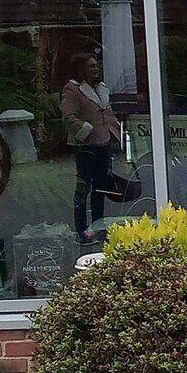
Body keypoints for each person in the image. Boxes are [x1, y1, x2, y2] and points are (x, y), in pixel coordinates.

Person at [61, 53, 121, 244]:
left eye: (96, 66)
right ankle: (81, 231)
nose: (95, 69)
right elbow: (68, 117)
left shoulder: (101, 88)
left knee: (101, 189)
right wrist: (86, 131)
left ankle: (98, 227)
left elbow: (108, 112)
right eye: (91, 66)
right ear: (80, 70)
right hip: (85, 147)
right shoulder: (72, 90)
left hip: (104, 145)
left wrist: (114, 131)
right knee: (83, 188)